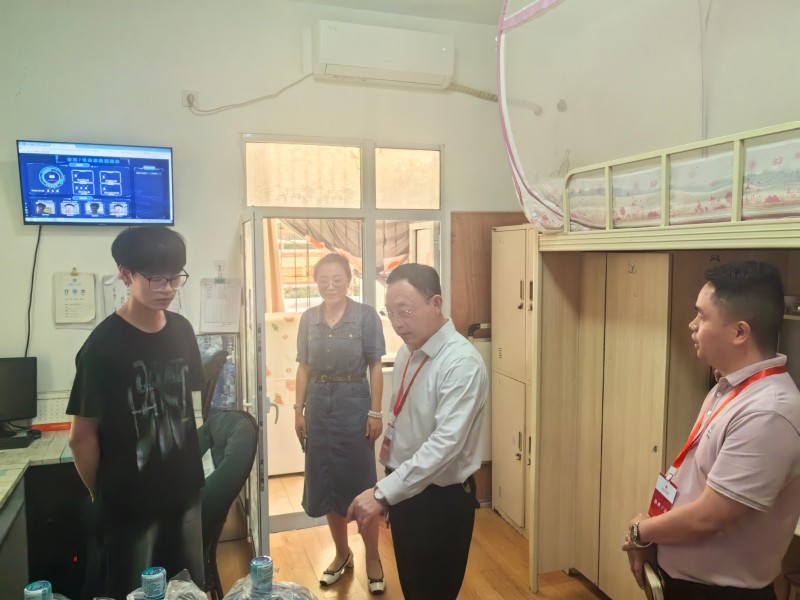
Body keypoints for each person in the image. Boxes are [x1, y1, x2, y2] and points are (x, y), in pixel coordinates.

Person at [623, 260, 800, 600]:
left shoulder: (768, 412)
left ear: (739, 332)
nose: (692, 325)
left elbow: (711, 516)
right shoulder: (730, 387)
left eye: (702, 316)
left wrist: (640, 530)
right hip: (689, 584)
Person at [67, 225, 204, 599]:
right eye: (157, 278)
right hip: (129, 505)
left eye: (175, 277)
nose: (168, 288)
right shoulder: (101, 348)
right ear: (125, 275)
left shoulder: (182, 330)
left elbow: (186, 408)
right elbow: (81, 439)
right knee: (135, 592)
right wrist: (105, 494)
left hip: (185, 492)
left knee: (188, 589)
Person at [347, 263, 488, 600]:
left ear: (436, 303)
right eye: (390, 312)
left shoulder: (461, 363)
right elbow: (405, 421)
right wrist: (392, 486)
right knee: (412, 586)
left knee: (433, 591)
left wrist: (383, 493)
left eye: (405, 310)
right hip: (408, 490)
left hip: (440, 500)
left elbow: (444, 446)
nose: (397, 323)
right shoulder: (407, 352)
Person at [293, 253, 386, 593]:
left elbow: (375, 365)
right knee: (327, 485)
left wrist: (375, 412)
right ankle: (342, 553)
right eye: (323, 280)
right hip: (318, 406)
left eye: (337, 279)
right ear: (316, 282)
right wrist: (298, 410)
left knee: (361, 484)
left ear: (349, 280)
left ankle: (373, 557)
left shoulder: (365, 315)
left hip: (354, 405)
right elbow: (304, 367)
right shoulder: (308, 319)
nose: (330, 285)